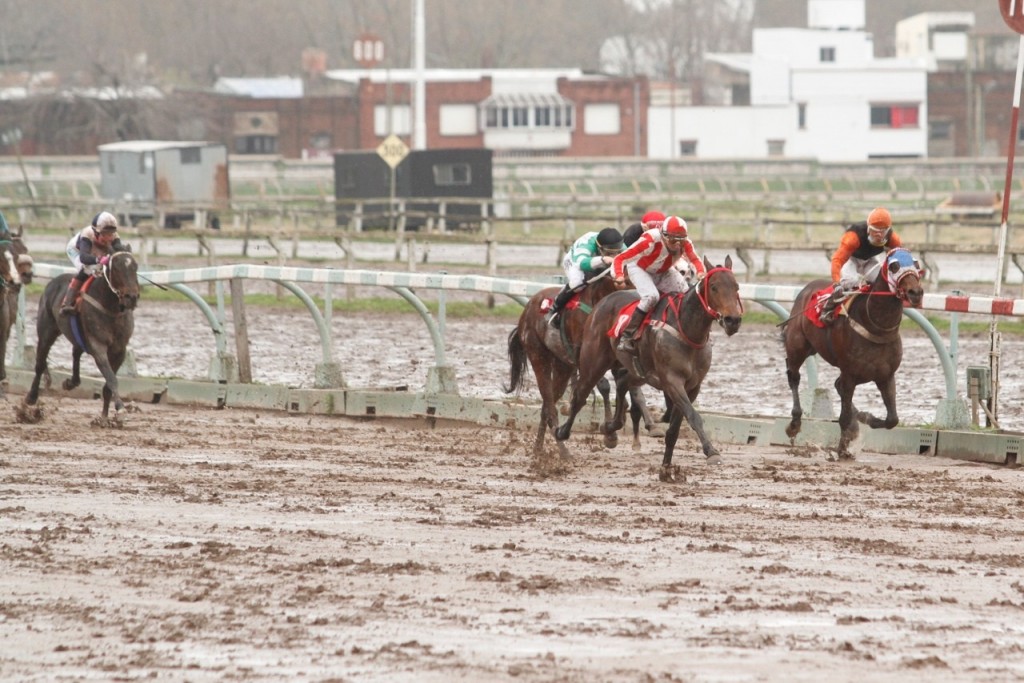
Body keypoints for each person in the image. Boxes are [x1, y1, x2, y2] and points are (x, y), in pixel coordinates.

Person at [611, 215, 706, 354]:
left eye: (681, 241)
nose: (677, 245)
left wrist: (701, 272)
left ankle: (688, 332)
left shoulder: (685, 243)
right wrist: (618, 274)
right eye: (673, 240)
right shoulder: (650, 239)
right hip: (639, 268)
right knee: (651, 297)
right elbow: (620, 258)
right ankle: (627, 336)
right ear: (663, 236)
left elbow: (695, 260)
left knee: (685, 294)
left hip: (662, 270)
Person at [820, 206, 903, 324]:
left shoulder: (893, 239)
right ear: (868, 228)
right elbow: (837, 260)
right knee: (851, 280)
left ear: (888, 230)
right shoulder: (853, 237)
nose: (879, 235)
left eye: (883, 231)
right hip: (851, 259)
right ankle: (828, 308)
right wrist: (837, 283)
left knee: (883, 280)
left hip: (869, 260)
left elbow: (900, 258)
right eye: (875, 230)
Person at [546, 227, 625, 327]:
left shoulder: (622, 246)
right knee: (577, 282)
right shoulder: (586, 245)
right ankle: (555, 307)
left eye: (617, 252)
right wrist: (603, 259)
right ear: (599, 248)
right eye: (610, 253)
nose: (614, 255)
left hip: (598, 258)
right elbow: (581, 264)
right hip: (576, 261)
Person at [60, 211, 130, 315]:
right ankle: (67, 301)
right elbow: (84, 257)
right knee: (87, 269)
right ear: (96, 232)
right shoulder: (87, 235)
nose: (109, 238)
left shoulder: (114, 235)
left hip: (96, 250)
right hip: (77, 250)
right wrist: (98, 260)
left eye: (111, 234)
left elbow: (118, 249)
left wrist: (125, 253)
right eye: (105, 234)